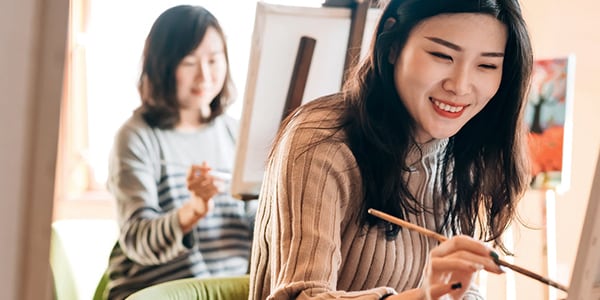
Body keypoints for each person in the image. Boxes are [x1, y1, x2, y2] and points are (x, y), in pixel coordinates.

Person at [249, 0, 533, 299]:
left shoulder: (458, 154)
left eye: (486, 65)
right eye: (442, 55)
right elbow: (301, 296)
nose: (460, 86)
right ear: (393, 44)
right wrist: (427, 296)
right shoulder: (322, 140)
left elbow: (460, 290)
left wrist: (454, 292)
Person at [103, 5, 256, 300]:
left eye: (214, 60)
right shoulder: (136, 137)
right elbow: (137, 240)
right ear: (162, 66)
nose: (205, 76)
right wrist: (195, 208)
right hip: (155, 293)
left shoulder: (237, 134)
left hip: (227, 292)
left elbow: (256, 228)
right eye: (188, 62)